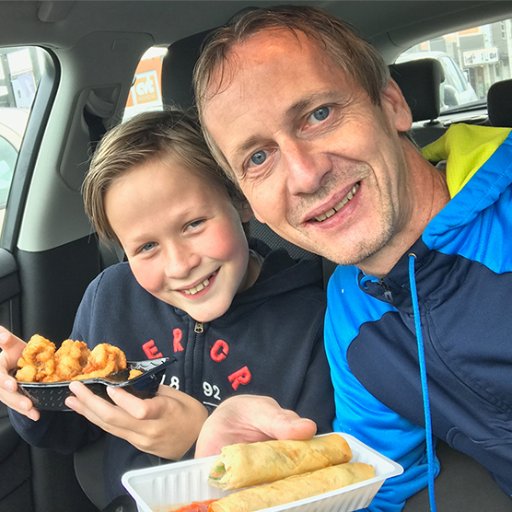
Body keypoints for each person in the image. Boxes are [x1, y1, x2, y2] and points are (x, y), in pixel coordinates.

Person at [191, 4, 512, 511]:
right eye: (258, 157)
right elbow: (381, 485)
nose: (303, 175)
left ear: (391, 105)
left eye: (318, 114)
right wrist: (258, 488)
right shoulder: (351, 310)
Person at [0, 109, 333, 505]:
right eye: (146, 247)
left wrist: (200, 439)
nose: (179, 265)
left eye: (193, 224)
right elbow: (73, 430)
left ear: (240, 202)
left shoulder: (311, 319)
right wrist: (32, 391)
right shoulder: (111, 298)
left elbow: (317, 476)